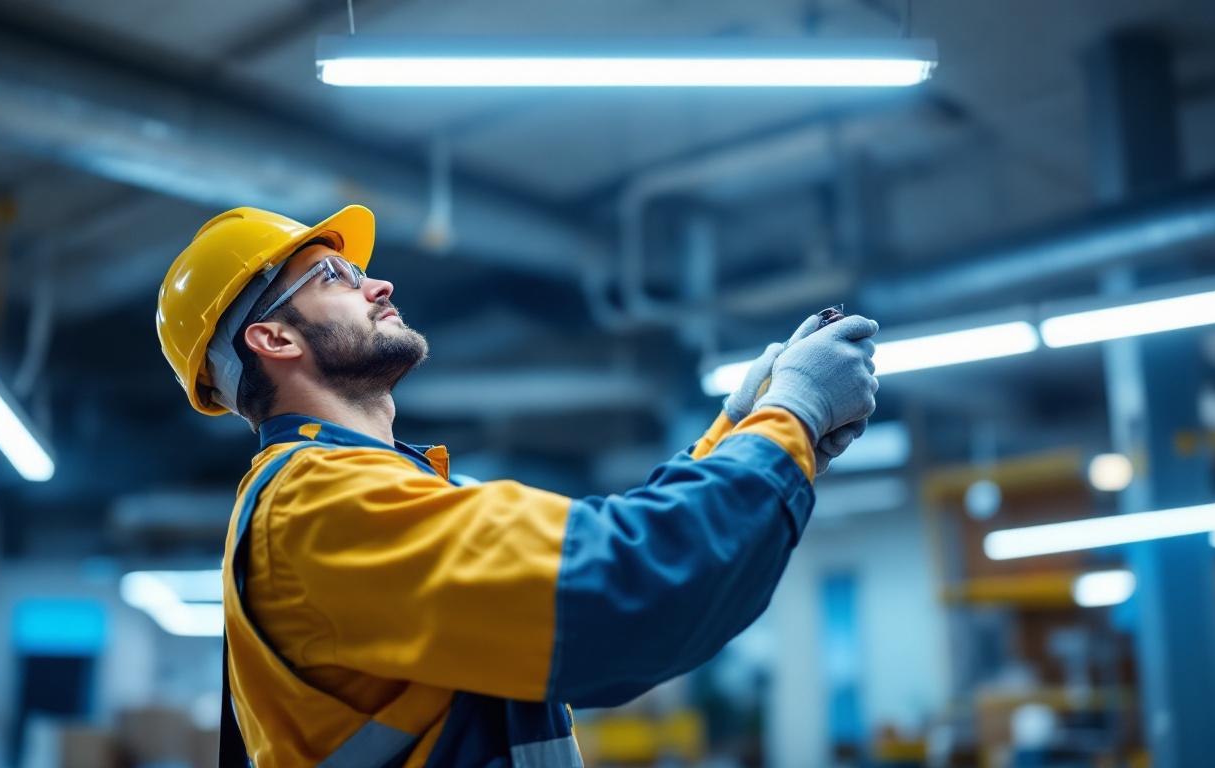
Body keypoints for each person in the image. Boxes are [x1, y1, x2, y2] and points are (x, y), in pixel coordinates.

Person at [155, 206, 879, 767]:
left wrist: (740, 429)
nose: (378, 283)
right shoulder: (320, 505)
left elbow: (601, 555)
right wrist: (792, 416)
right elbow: (626, 590)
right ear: (274, 339)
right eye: (334, 278)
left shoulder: (355, 492)